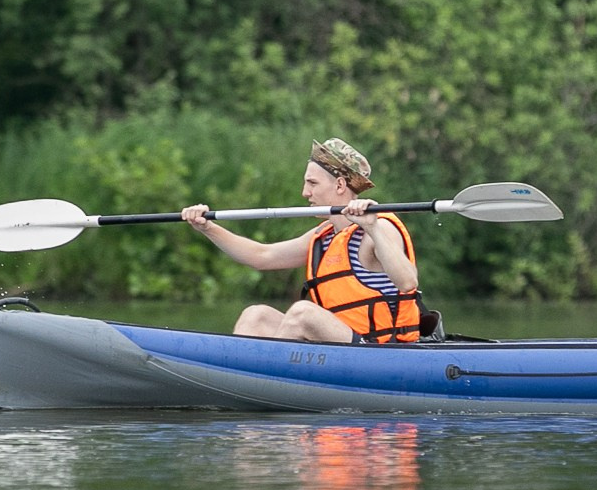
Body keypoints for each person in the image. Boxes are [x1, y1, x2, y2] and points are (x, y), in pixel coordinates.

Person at [182, 139, 424, 343]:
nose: (305, 193)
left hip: (379, 353)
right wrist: (207, 228)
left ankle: (265, 380)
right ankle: (237, 375)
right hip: (340, 346)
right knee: (256, 316)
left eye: (312, 183)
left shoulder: (379, 226)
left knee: (303, 313)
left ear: (340, 185)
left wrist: (372, 228)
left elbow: (407, 282)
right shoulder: (325, 235)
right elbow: (261, 257)